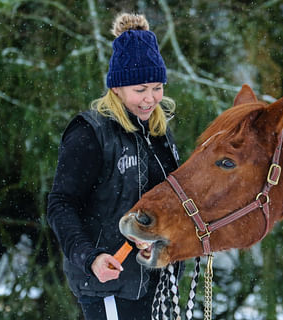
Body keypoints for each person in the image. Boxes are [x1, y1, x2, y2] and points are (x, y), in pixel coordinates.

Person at [47, 13, 182, 319]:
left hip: (160, 285)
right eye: (140, 89)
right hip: (110, 286)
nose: (150, 99)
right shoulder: (90, 133)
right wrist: (90, 258)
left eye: (157, 87)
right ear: (117, 88)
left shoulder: (160, 133)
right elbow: (60, 204)